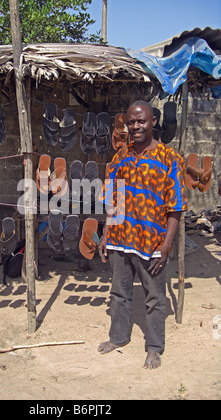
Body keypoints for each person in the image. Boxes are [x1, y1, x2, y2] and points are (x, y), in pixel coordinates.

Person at [98, 100, 188, 369]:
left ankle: (154, 347)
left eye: (142, 121)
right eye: (132, 122)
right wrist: (106, 233)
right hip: (121, 238)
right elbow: (113, 198)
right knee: (119, 292)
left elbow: (176, 206)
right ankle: (118, 337)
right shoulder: (120, 156)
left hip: (152, 243)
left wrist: (168, 242)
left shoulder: (169, 159)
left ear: (153, 122)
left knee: (155, 297)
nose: (136, 126)